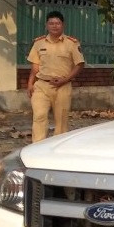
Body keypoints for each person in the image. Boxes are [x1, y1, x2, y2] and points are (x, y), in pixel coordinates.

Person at [26, 11, 85, 142]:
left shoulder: (71, 43)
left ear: (63, 25)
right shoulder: (39, 43)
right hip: (41, 85)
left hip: (62, 86)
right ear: (47, 25)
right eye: (51, 23)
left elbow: (79, 65)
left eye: (57, 23)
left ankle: (57, 149)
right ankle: (37, 147)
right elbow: (35, 66)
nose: (54, 26)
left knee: (61, 121)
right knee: (39, 116)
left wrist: (66, 79)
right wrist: (30, 83)